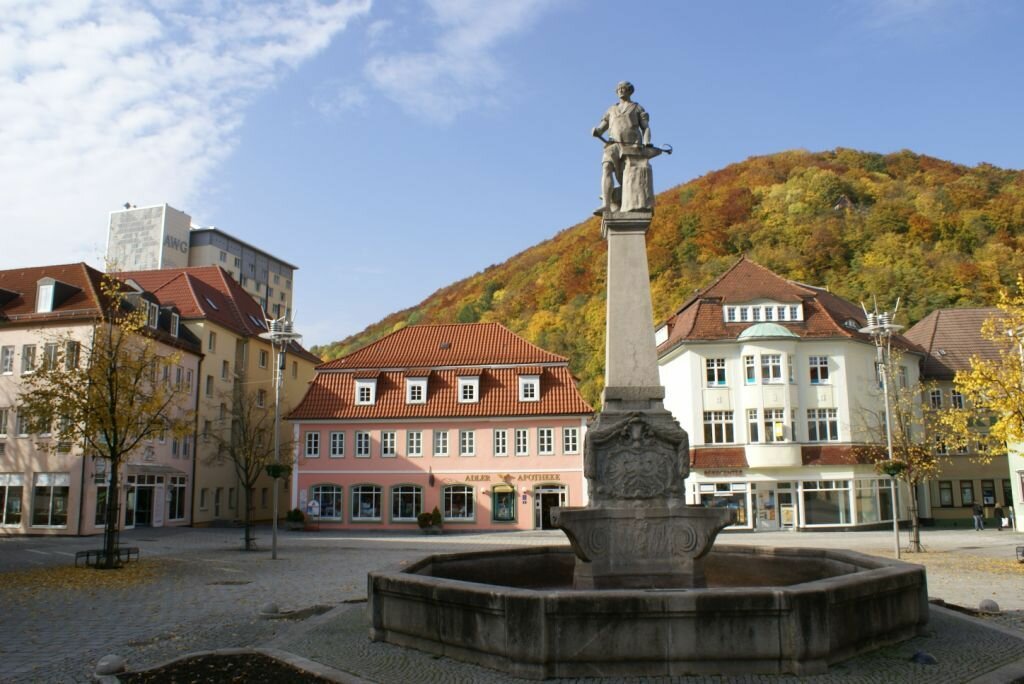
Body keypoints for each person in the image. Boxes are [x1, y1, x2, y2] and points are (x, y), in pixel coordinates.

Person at [592, 81, 651, 213]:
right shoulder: (611, 110)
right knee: (606, 167)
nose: (620, 91)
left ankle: (623, 201)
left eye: (623, 88)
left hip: (632, 146)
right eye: (618, 89)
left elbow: (645, 128)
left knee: (628, 179)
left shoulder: (637, 108)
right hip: (613, 145)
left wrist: (646, 143)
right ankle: (606, 204)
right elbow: (601, 128)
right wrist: (597, 131)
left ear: (630, 91)